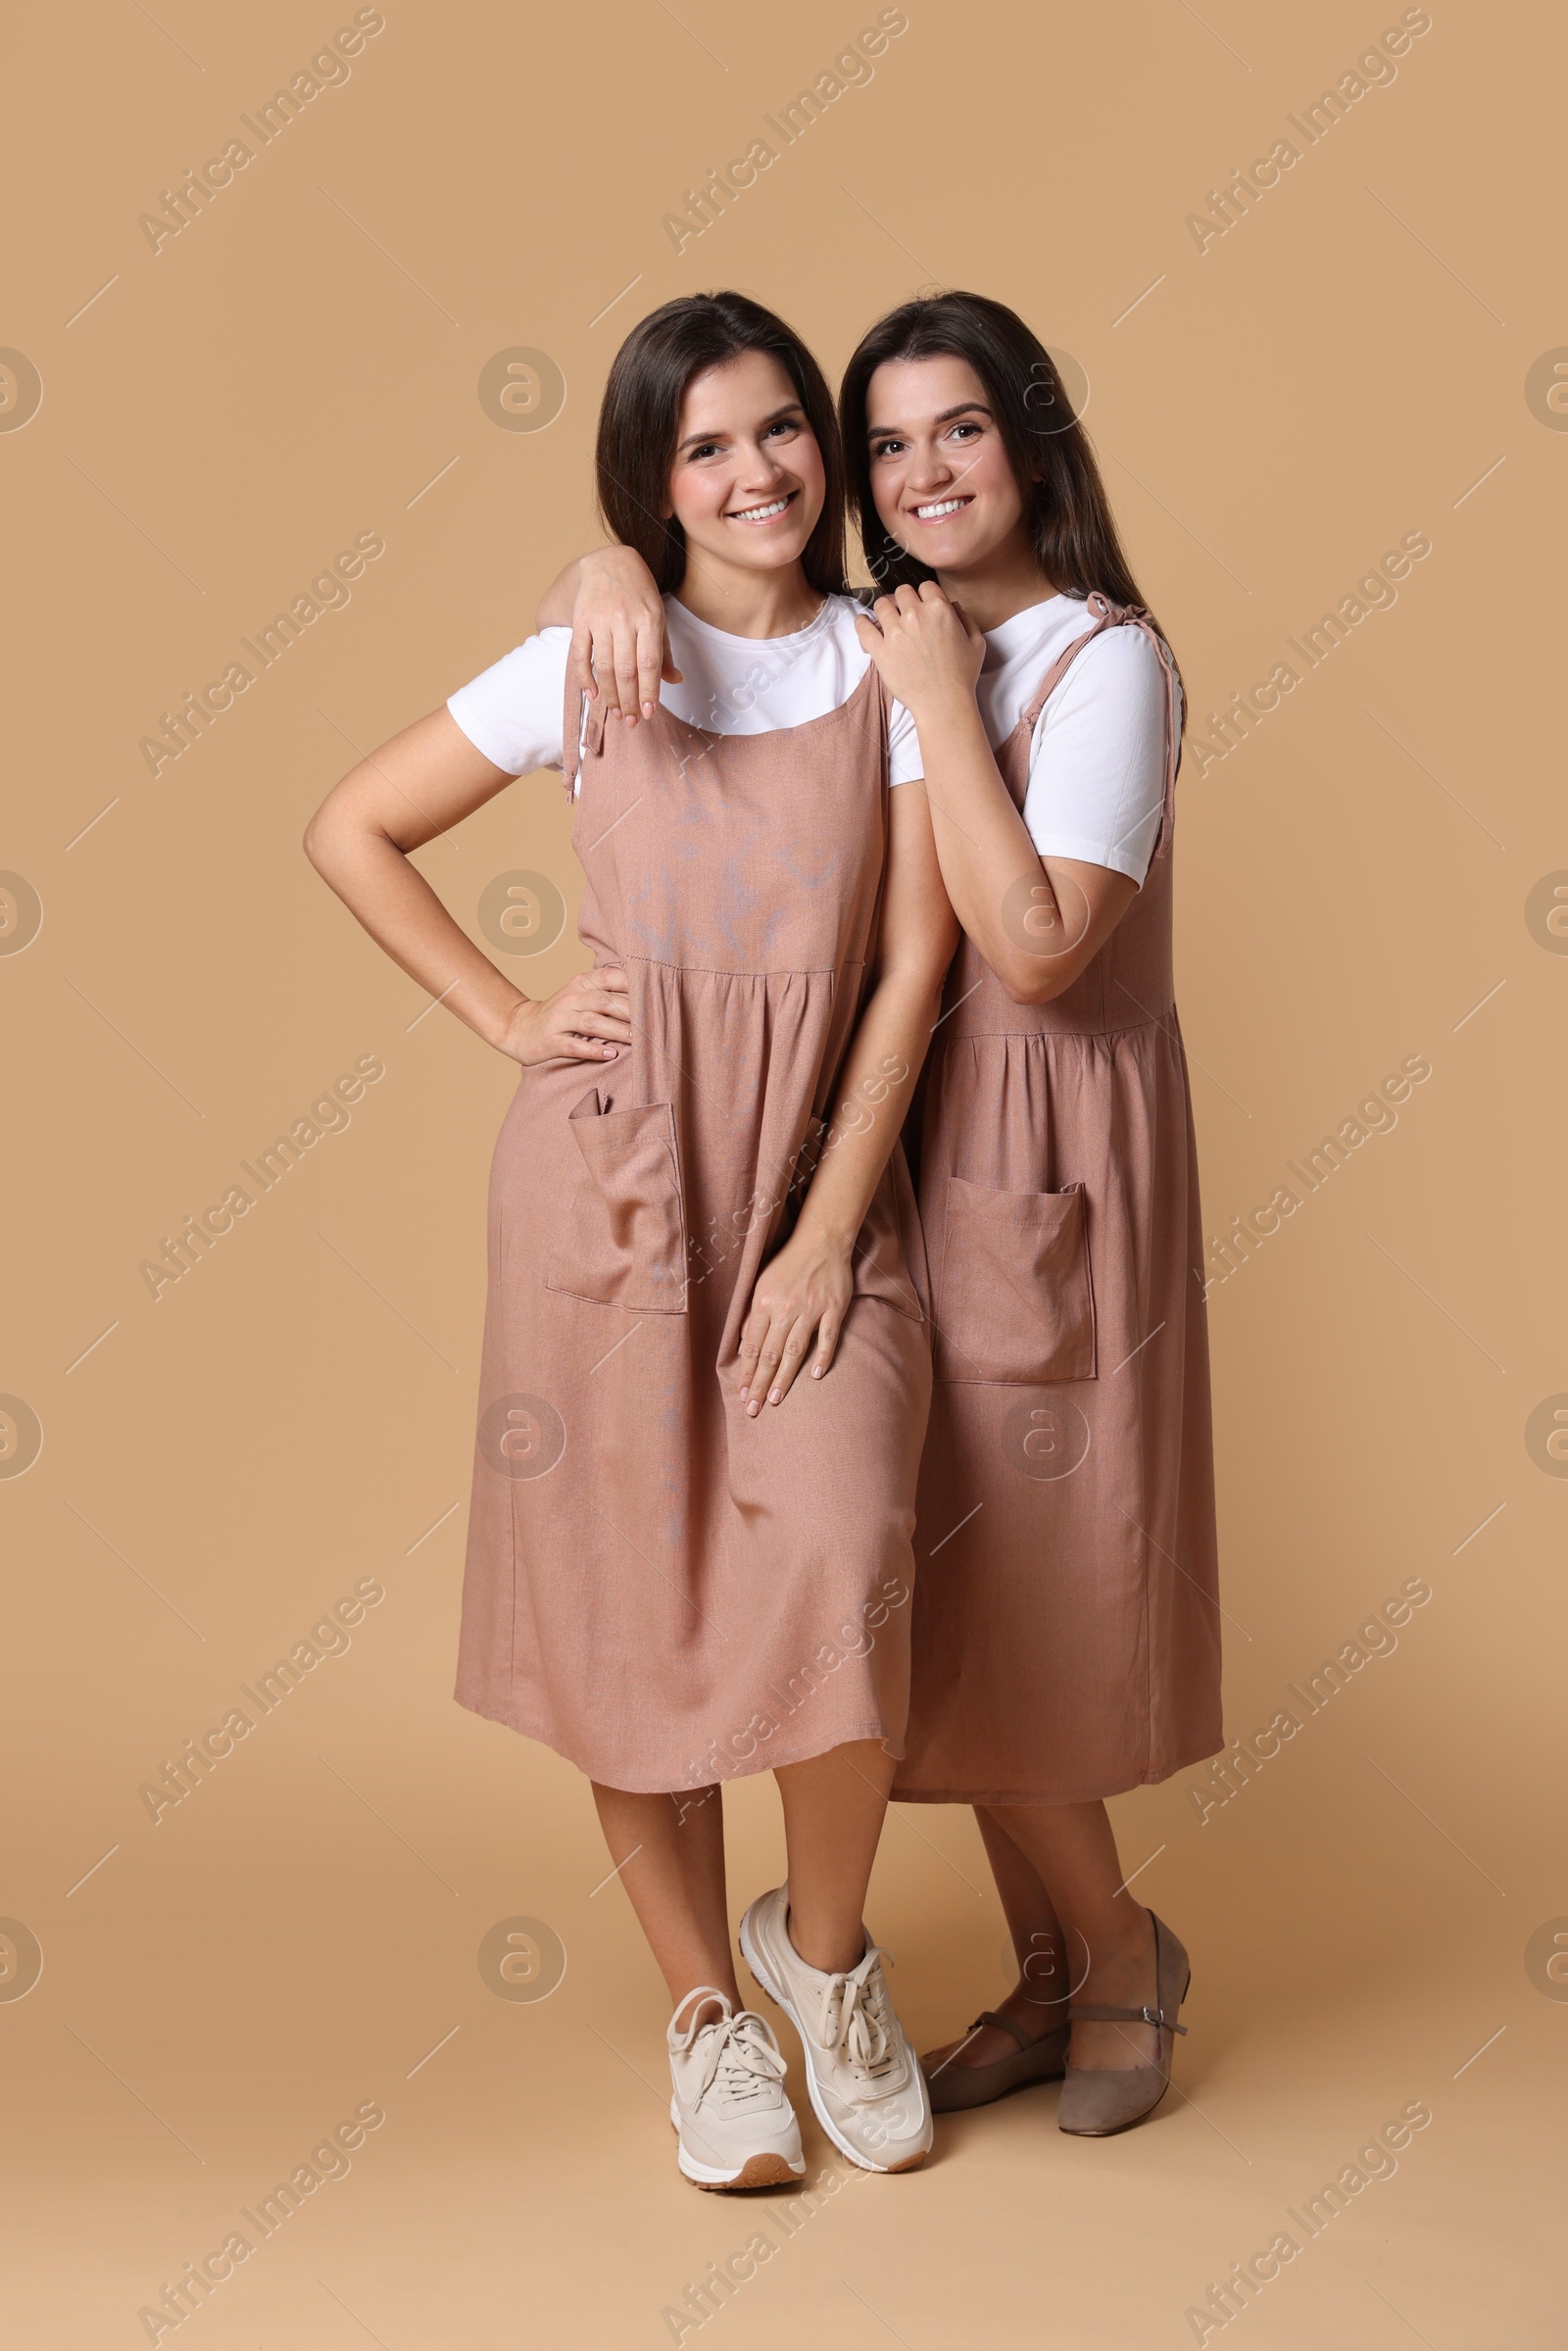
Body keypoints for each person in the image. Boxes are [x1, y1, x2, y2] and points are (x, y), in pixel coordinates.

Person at [550, 288, 1222, 2140]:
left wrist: (934, 694)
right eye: (894, 438)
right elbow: (685, 617)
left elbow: (1029, 945)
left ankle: (1119, 1954)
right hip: (880, 1145)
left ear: (1033, 446)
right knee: (930, 1607)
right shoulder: (890, 640)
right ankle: (1041, 1973)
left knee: (1028, 1606)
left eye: (964, 432)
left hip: (1031, 1150)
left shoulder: (1095, 659)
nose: (924, 472)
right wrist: (593, 571)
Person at [304, 292, 956, 2187]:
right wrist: (513, 1019)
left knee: (845, 1547)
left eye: (780, 432)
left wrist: (837, 1232)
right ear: (651, 482)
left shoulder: (884, 658)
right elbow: (354, 827)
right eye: (702, 448)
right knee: (627, 1598)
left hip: (821, 1179)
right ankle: (704, 2016)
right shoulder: (594, 651)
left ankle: (819, 1962)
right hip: (607, 1189)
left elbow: (916, 960)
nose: (755, 473)